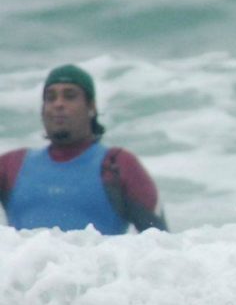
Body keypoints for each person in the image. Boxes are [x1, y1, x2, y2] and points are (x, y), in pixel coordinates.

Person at [1, 64, 168, 233]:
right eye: (50, 98)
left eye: (70, 96)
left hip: (93, 260)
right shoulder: (11, 165)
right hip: (26, 260)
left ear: (91, 107)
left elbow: (160, 243)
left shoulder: (117, 165)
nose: (58, 104)